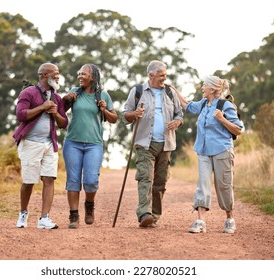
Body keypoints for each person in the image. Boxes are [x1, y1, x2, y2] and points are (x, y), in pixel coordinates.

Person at [173, 75, 243, 234]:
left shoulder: (225, 105)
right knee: (202, 184)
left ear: (212, 89)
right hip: (203, 150)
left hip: (222, 150)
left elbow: (238, 129)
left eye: (204, 86)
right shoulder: (204, 103)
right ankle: (200, 221)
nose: (202, 88)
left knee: (223, 186)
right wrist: (172, 88)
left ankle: (229, 219)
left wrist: (222, 119)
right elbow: (187, 105)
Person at [123, 60, 184, 228]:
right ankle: (144, 213)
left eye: (165, 75)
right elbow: (125, 115)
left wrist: (177, 122)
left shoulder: (170, 92)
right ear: (151, 75)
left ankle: (154, 216)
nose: (165, 78)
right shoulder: (137, 91)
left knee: (160, 182)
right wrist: (134, 114)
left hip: (166, 144)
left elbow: (180, 114)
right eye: (161, 75)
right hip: (144, 143)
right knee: (145, 178)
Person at [62, 63, 118, 229]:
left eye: (83, 74)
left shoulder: (103, 96)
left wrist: (104, 109)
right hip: (72, 142)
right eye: (79, 73)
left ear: (92, 77)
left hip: (94, 144)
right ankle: (73, 215)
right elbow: (61, 110)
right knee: (73, 180)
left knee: (91, 180)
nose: (80, 76)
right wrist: (66, 100)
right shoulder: (75, 92)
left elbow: (114, 118)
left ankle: (89, 205)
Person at [13, 62, 68, 229]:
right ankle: (23, 213)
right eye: (55, 73)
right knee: (29, 181)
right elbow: (20, 115)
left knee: (49, 178)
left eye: (58, 73)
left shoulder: (57, 97)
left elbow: (64, 123)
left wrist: (55, 113)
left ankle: (44, 218)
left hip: (49, 144)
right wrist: (42, 107)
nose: (58, 76)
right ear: (44, 75)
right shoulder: (28, 93)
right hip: (30, 143)